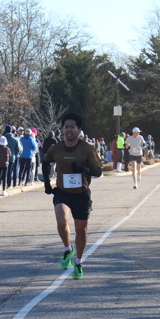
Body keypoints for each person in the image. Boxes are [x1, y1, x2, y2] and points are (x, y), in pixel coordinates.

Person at [43, 112, 102, 280]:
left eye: (72, 127)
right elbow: (45, 162)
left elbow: (98, 171)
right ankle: (68, 249)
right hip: (63, 192)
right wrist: (47, 183)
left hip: (81, 194)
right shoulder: (56, 148)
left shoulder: (87, 149)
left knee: (81, 231)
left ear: (79, 129)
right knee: (62, 220)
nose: (69, 130)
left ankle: (78, 262)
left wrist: (83, 169)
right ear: (62, 129)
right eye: (66, 127)